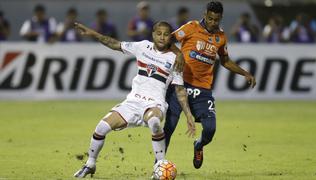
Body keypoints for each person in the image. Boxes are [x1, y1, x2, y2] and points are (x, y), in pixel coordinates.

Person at [73, 21, 196, 178]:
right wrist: (93, 33)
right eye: (159, 33)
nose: (162, 37)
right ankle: (90, 164)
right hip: (132, 103)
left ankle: (160, 165)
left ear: (170, 38)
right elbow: (114, 43)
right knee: (101, 127)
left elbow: (179, 90)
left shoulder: (175, 59)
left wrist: (188, 114)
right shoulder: (142, 46)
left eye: (166, 34)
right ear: (153, 34)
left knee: (155, 123)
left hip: (155, 104)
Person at [164, 1, 256, 169]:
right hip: (180, 85)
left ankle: (199, 146)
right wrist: (179, 54)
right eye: (211, 18)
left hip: (203, 90)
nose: (213, 22)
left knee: (210, 130)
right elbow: (169, 40)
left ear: (221, 18)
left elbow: (225, 61)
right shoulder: (191, 27)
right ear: (205, 14)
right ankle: (159, 164)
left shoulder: (221, 37)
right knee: (169, 126)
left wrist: (245, 73)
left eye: (217, 20)